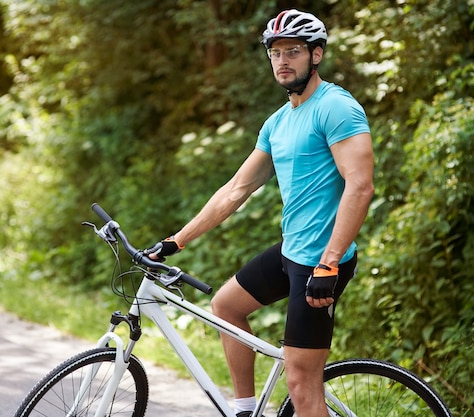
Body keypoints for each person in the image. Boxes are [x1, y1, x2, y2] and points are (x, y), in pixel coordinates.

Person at [145, 9, 375, 417]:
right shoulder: (278, 122)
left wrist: (330, 262)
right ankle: (245, 410)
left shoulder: (336, 108)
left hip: (321, 262)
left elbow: (360, 186)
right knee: (226, 307)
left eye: (294, 51)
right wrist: (175, 241)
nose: (283, 61)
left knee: (302, 385)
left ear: (316, 55)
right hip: (292, 251)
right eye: (275, 53)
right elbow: (236, 190)